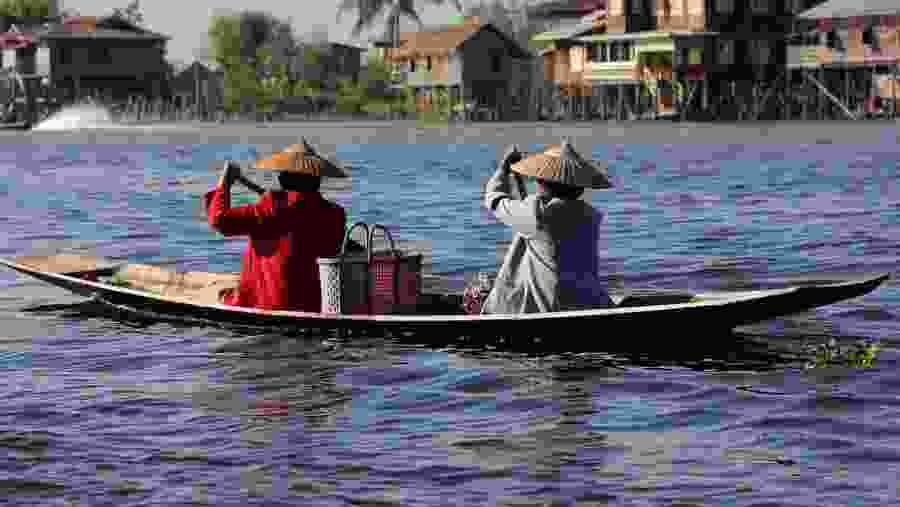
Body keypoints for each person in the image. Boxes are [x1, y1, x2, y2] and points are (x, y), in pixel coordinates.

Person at [204, 139, 348, 312]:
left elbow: (219, 220)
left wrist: (225, 182)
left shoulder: (271, 207)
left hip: (271, 304)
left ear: (283, 179)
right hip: (316, 304)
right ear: (317, 180)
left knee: (226, 295)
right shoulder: (335, 214)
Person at [481, 139, 615, 315]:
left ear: (542, 184)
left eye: (539, 179)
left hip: (552, 308)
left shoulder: (538, 214)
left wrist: (503, 169)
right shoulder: (590, 216)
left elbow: (494, 199)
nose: (536, 182)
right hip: (590, 302)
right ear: (579, 189)